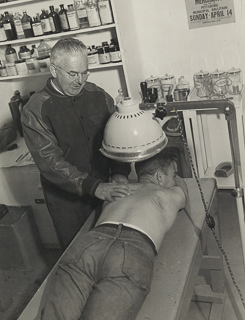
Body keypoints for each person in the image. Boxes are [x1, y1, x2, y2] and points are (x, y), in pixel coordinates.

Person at [41, 151, 188, 320]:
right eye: (173, 175)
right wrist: (175, 175)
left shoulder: (114, 190)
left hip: (90, 244)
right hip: (132, 251)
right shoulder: (169, 195)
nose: (174, 179)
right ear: (160, 177)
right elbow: (184, 188)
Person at [21, 37, 131, 250]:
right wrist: (94, 187)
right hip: (67, 201)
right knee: (78, 254)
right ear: (54, 70)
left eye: (84, 73)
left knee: (112, 247)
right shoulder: (35, 110)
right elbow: (51, 162)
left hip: (106, 185)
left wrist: (119, 171)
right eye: (72, 74)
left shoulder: (97, 94)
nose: (80, 81)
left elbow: (117, 136)